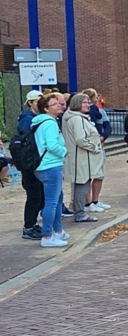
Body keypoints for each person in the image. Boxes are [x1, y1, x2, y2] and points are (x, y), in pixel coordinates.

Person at [31, 93, 69, 248]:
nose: (59, 106)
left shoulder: (39, 122)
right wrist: (64, 151)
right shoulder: (50, 123)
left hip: (43, 165)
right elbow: (51, 145)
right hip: (50, 165)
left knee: (58, 199)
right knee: (52, 202)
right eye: (54, 104)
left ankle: (58, 231)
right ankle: (47, 236)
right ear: (46, 109)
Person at [62, 93, 105, 223]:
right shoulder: (77, 119)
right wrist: (95, 147)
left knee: (81, 184)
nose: (88, 105)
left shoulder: (72, 117)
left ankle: (78, 210)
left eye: (88, 102)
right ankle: (80, 213)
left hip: (78, 156)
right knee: (82, 184)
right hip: (81, 157)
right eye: (84, 102)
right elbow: (81, 139)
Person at [17, 91, 45, 240]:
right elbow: (26, 139)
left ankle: (32, 224)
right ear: (30, 103)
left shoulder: (34, 118)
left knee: (39, 195)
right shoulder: (27, 119)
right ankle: (28, 227)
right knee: (34, 195)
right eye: (37, 101)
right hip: (30, 162)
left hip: (35, 161)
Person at [81, 88, 110, 211]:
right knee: (87, 176)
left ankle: (95, 200)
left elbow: (107, 126)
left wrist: (103, 137)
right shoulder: (81, 115)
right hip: (89, 147)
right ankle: (87, 203)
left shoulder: (100, 112)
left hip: (99, 145)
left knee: (99, 174)